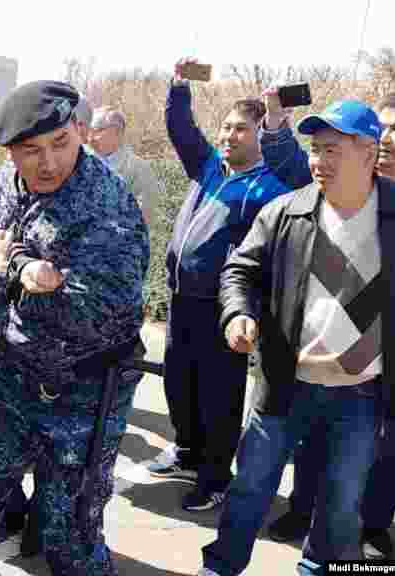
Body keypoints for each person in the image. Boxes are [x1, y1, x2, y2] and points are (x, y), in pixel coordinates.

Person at [202, 99, 395, 576]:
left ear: (368, 152)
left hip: (364, 393)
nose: (318, 162)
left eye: (332, 150)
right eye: (315, 150)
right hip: (287, 382)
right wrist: (237, 313)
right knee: (250, 489)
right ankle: (221, 567)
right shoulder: (287, 211)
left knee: (342, 506)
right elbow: (240, 269)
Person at [0, 80, 149, 576]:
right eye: (31, 150)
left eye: (61, 144)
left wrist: (10, 269)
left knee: (67, 531)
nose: (48, 162)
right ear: (9, 150)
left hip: (84, 392)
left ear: (79, 131)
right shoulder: (6, 180)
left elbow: (102, 314)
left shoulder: (106, 205)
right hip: (14, 375)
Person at [153, 57, 294, 512]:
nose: (228, 135)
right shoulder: (211, 169)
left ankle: (214, 476)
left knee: (219, 397)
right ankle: (188, 454)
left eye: (241, 130)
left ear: (260, 138)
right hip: (182, 301)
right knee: (179, 383)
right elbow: (182, 130)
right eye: (227, 127)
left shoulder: (271, 187)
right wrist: (178, 85)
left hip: (224, 308)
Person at [89, 105, 162, 226]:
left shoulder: (139, 169)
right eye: (90, 131)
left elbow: (144, 216)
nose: (91, 138)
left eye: (97, 131)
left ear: (117, 132)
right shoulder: (82, 164)